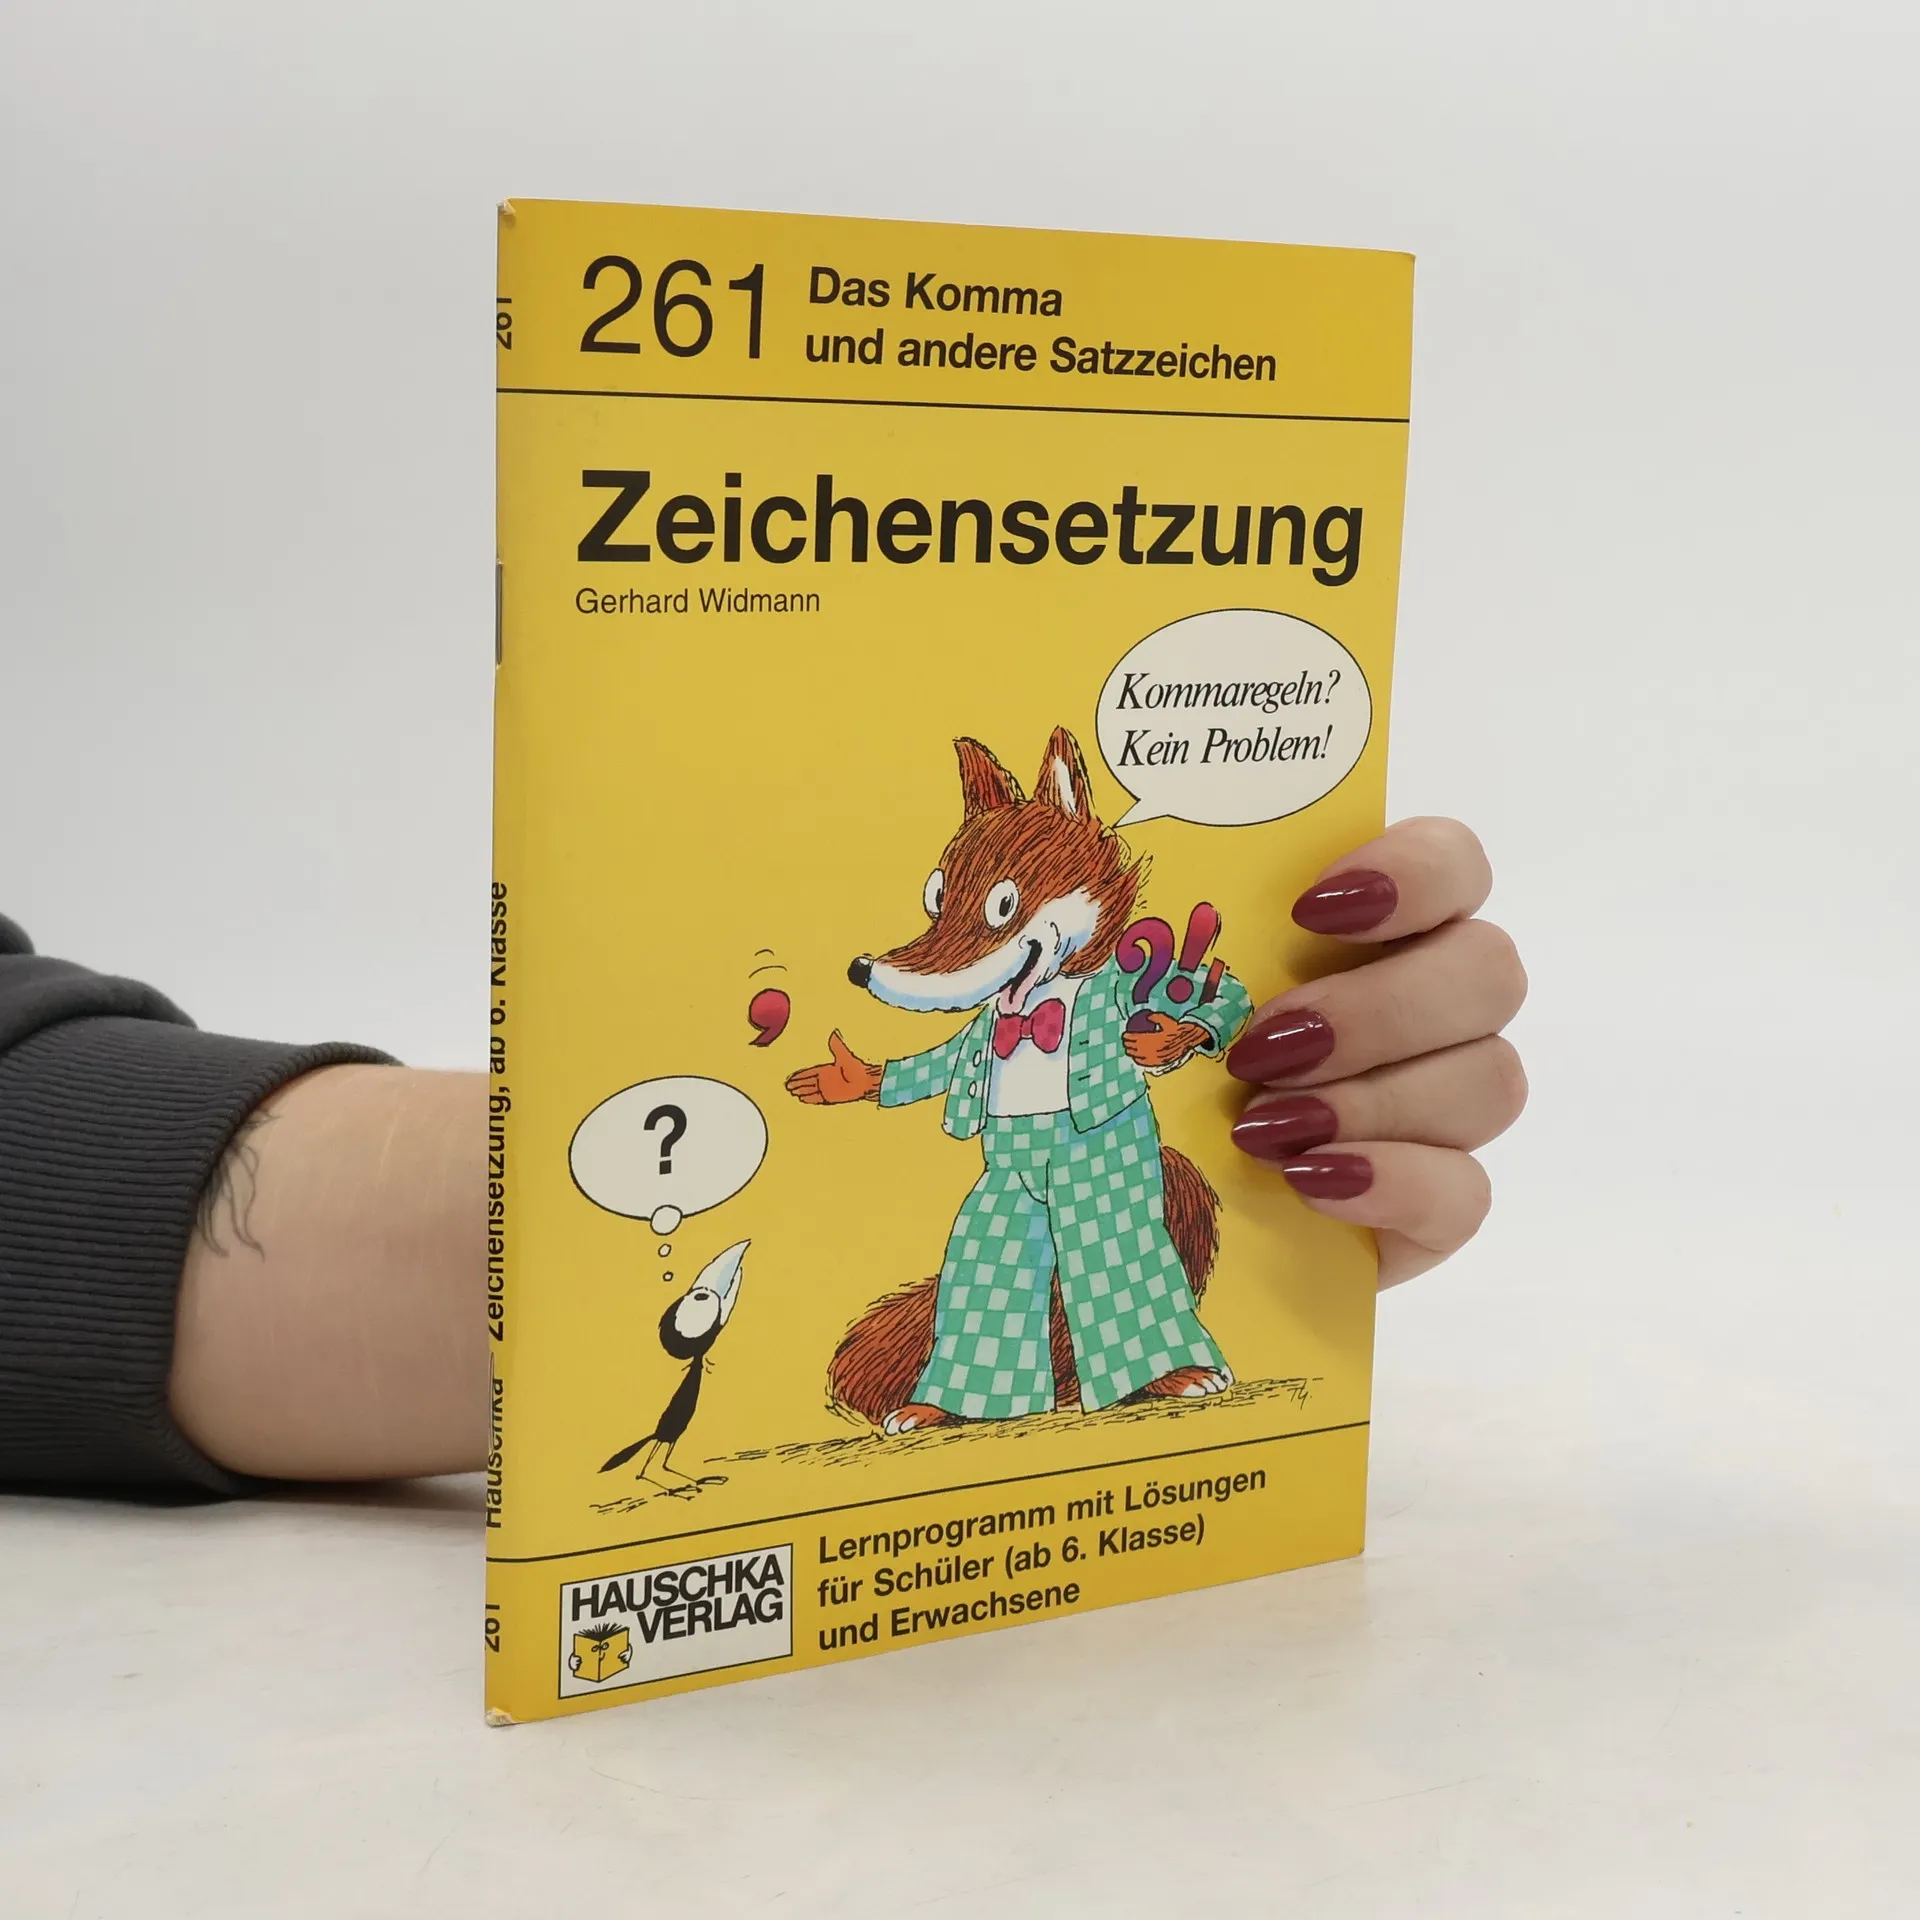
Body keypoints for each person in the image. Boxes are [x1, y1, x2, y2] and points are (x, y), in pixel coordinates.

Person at [0, 817, 1525, 1495]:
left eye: (998, 914)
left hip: (1110, 1161)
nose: (962, 941)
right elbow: (947, 1062)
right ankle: (969, 1387)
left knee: (1123, 1258)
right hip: (1013, 1170)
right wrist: (867, 1080)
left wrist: (1236, 1030)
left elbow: (1177, 1023)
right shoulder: (989, 1019)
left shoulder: (1096, 987)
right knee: (991, 1268)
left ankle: (1160, 1366)